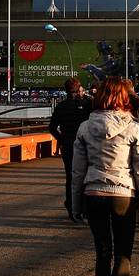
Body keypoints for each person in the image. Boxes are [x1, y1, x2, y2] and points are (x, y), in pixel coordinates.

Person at [71, 77, 139, 276]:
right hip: (123, 194)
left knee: (102, 252)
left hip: (93, 193)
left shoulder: (85, 127)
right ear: (124, 98)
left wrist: (75, 204)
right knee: (123, 252)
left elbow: (77, 171)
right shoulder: (133, 126)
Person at [48, 78, 93, 220]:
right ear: (79, 89)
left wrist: (61, 139)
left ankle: (71, 206)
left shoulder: (61, 106)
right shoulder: (87, 105)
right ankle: (84, 207)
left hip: (68, 145)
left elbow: (52, 127)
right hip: (85, 145)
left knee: (71, 177)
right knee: (85, 175)